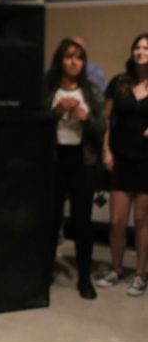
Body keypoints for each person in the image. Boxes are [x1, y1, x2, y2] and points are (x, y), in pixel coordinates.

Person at [45, 38, 106, 299]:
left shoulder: (91, 91)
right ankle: (44, 272)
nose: (74, 62)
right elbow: (33, 124)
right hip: (54, 161)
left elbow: (101, 128)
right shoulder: (48, 88)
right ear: (60, 60)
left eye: (79, 57)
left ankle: (84, 278)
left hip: (83, 162)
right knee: (50, 220)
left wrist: (86, 118)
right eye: (69, 56)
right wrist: (56, 112)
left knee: (82, 222)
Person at [97, 33, 148, 296]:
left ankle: (139, 274)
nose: (141, 51)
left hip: (147, 161)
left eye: (146, 48)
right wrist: (106, 150)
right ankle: (115, 268)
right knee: (117, 220)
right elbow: (107, 119)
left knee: (141, 220)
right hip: (122, 158)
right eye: (137, 47)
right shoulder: (120, 82)